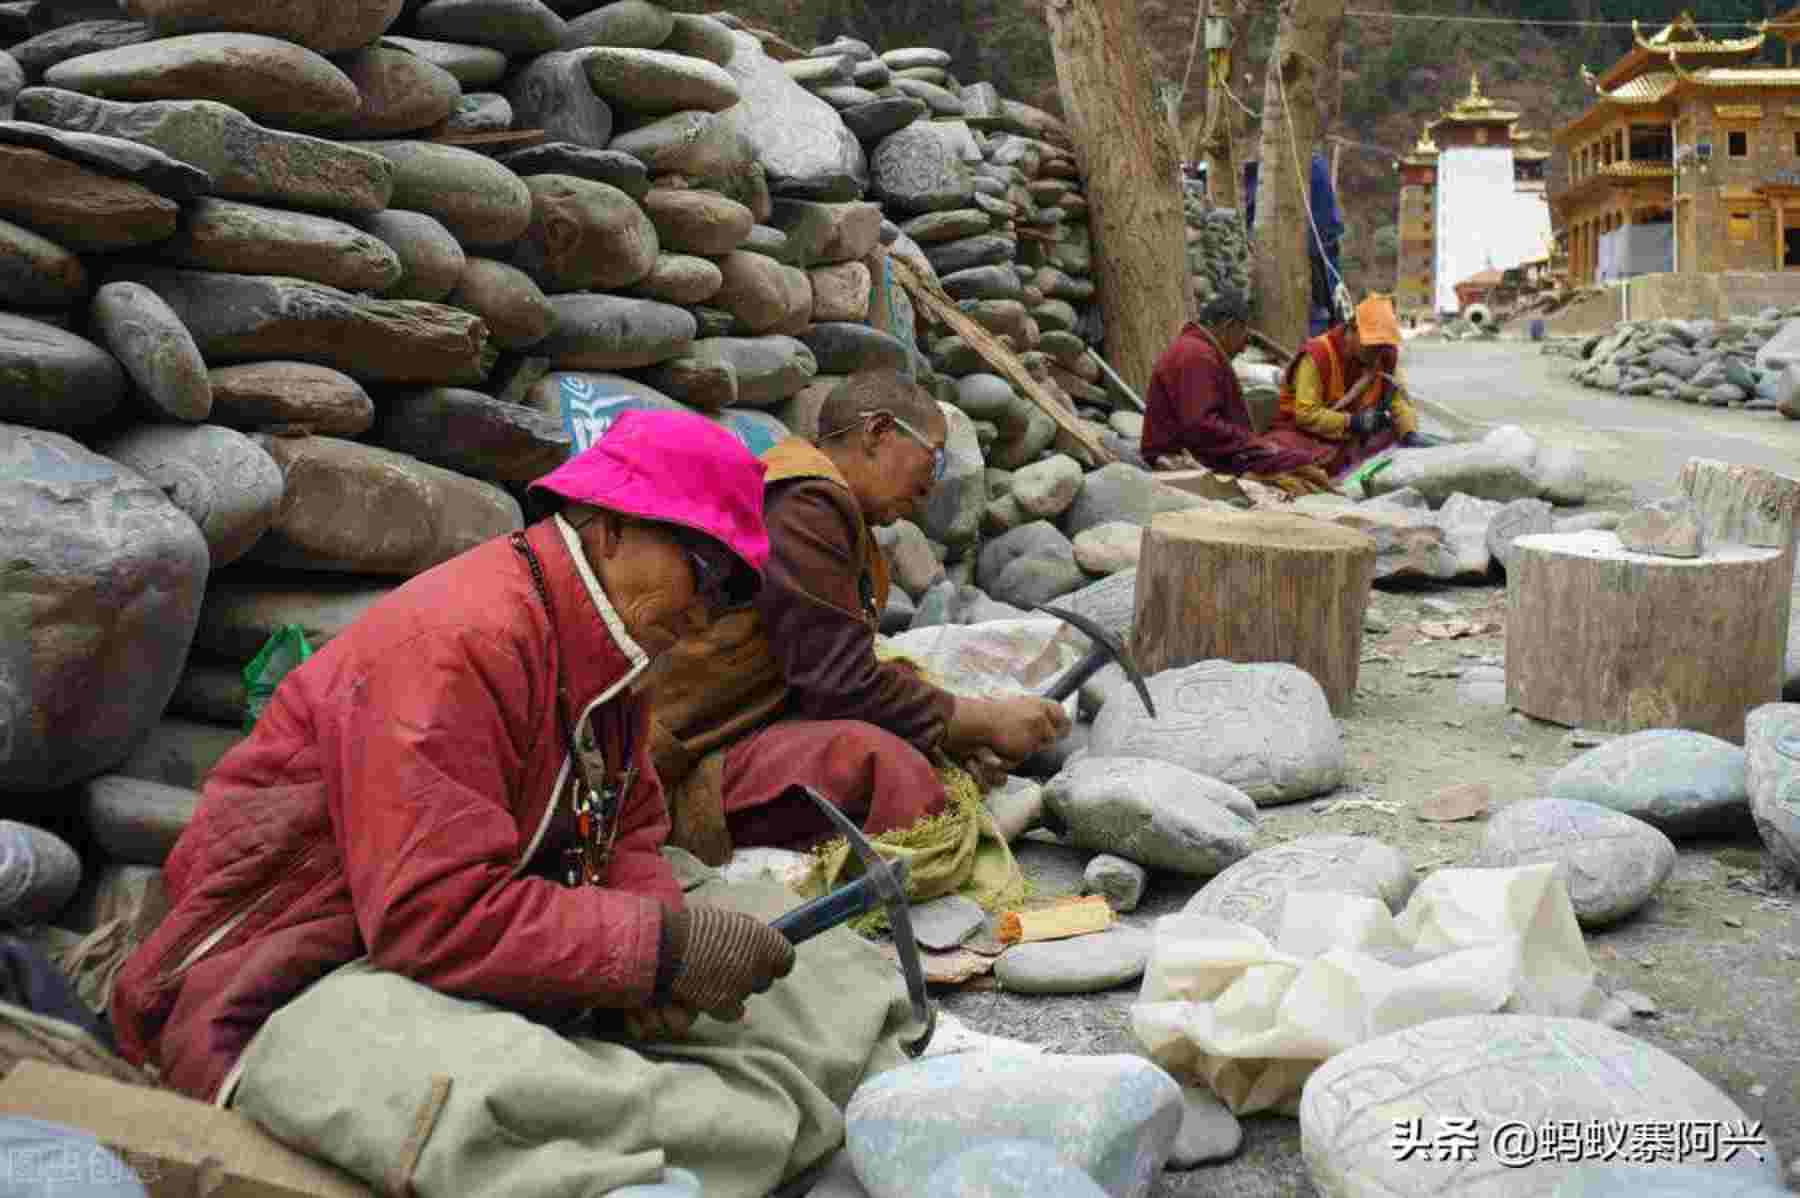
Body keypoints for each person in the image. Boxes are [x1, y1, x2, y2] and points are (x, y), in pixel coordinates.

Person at [109, 411, 917, 1198]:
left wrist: (654, 961)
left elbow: (629, 825)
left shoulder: (609, 649)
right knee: (499, 1094)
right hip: (293, 975)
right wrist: (655, 947)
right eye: (708, 576)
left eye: (735, 593)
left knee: (807, 959)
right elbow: (432, 916)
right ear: (612, 527)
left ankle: (738, 1120)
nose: (708, 613)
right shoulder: (457, 644)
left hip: (457, 927)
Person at [647, 370, 1071, 865]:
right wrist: (980, 719)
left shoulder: (826, 509)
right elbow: (838, 681)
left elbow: (831, 664)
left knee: (913, 713)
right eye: (933, 460)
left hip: (743, 726)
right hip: (677, 764)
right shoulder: (805, 503)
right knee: (886, 767)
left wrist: (955, 729)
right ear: (878, 432)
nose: (929, 490)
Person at [1139, 290, 1332, 496]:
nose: (1242, 349)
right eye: (1243, 337)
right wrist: (1251, 443)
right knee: (1295, 462)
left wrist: (1251, 443)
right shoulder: (1196, 356)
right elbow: (1200, 425)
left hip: (1204, 450)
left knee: (1294, 456)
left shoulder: (1195, 350)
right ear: (1229, 327)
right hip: (1185, 455)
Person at [1264, 292, 1428, 481]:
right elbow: (1305, 414)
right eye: (1372, 345)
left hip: (1348, 439)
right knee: (1281, 454)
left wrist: (1410, 433)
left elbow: (1398, 399)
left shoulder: (1384, 355)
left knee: (1394, 435)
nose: (1376, 353)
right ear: (1352, 330)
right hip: (1304, 434)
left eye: (1381, 346)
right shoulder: (1319, 354)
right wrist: (1352, 422)